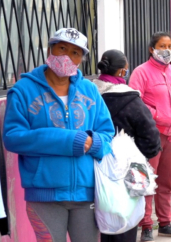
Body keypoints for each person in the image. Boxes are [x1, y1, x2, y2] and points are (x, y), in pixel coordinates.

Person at [3, 28, 115, 241]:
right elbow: (13, 137)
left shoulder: (89, 90)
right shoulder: (23, 90)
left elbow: (107, 132)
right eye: (62, 48)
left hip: (87, 192)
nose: (67, 57)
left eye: (75, 53)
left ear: (81, 59)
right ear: (50, 49)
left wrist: (95, 143)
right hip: (45, 195)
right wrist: (69, 140)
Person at [94, 50, 162, 242]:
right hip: (128, 173)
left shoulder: (88, 97)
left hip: (93, 172)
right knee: (126, 223)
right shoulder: (131, 100)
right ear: (123, 72)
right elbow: (151, 141)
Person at [129, 32, 171, 241]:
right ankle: (146, 224)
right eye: (162, 46)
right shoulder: (141, 72)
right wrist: (158, 116)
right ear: (151, 49)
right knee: (146, 180)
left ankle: (165, 222)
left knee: (166, 181)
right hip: (150, 134)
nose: (167, 50)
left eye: (170, 46)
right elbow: (135, 101)